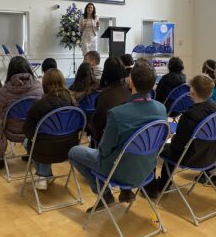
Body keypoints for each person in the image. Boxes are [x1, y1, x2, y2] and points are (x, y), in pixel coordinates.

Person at [69, 64, 167, 210]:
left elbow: (104, 151)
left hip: (119, 170)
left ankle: (105, 195)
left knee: (74, 152)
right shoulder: (161, 109)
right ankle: (123, 192)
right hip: (146, 169)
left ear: (131, 82)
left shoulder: (117, 113)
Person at [146, 74, 216, 196]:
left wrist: (169, 138)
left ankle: (161, 184)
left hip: (192, 158)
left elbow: (178, 146)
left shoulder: (190, 115)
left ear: (192, 91)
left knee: (161, 148)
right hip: (211, 155)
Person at [23, 68, 77, 190]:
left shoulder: (39, 105)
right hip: (69, 148)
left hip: (45, 149)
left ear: (44, 84)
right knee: (44, 140)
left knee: (28, 142)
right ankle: (45, 175)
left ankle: (43, 175)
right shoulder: (72, 101)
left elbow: (27, 131)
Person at [0, 56, 43, 170]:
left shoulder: (5, 89)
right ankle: (29, 153)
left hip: (11, 131)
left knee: (0, 126)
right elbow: (41, 109)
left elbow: (0, 113)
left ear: (10, 71)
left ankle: (1, 157)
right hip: (33, 131)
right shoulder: (38, 86)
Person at [89, 57, 129, 142]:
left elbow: (97, 126)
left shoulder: (105, 96)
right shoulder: (130, 89)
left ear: (106, 72)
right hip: (129, 137)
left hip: (110, 141)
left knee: (74, 151)